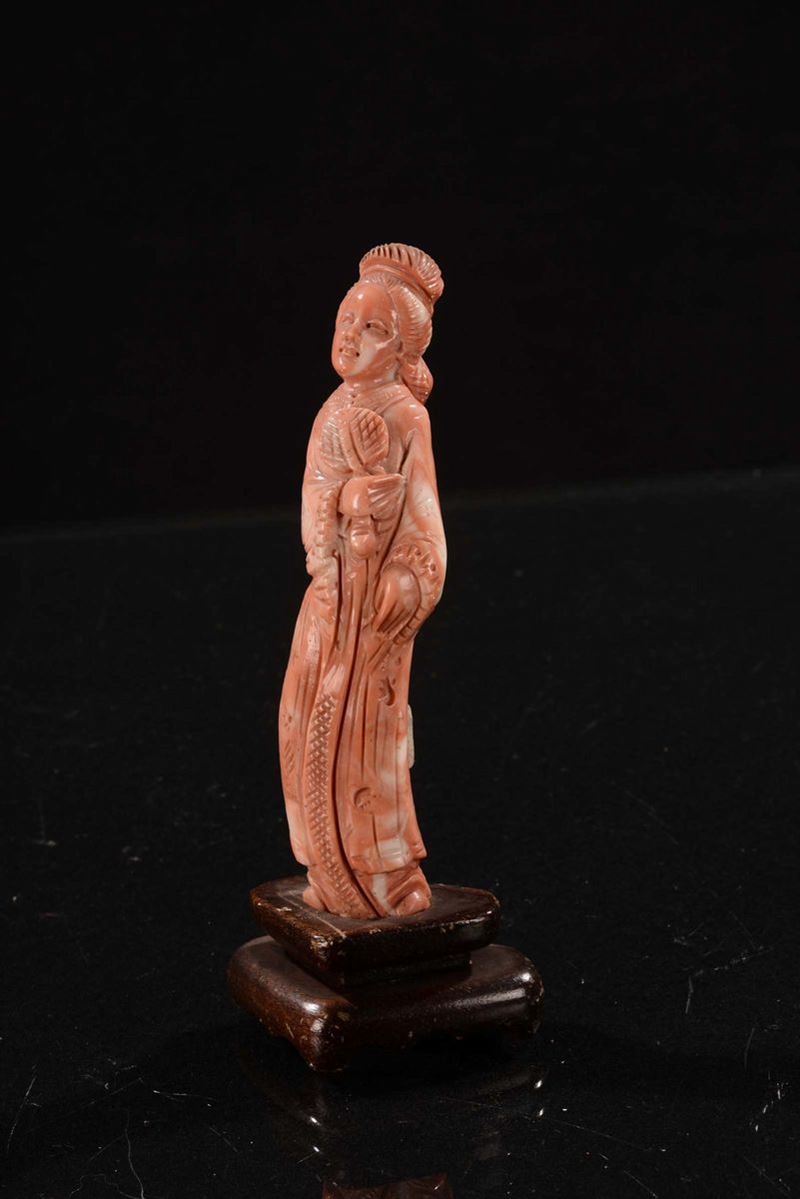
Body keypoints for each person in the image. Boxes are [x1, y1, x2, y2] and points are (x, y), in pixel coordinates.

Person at [278, 243, 446, 918]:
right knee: (301, 721)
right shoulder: (331, 411)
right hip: (328, 602)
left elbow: (425, 528)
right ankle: (325, 869)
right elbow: (313, 493)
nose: (351, 335)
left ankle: (388, 877)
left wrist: (403, 582)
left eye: (372, 327)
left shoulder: (407, 417)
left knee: (368, 738)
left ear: (402, 348)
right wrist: (342, 504)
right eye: (347, 319)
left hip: (372, 617)